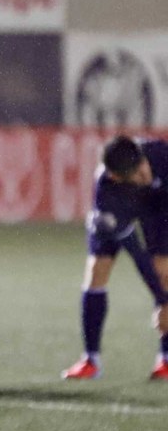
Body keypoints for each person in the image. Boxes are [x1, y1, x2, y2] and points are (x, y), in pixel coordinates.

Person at [61, 135, 168, 381]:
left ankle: (166, 359)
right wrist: (163, 302)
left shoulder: (161, 155)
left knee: (164, 270)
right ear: (117, 177)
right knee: (97, 269)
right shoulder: (107, 191)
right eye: (137, 176)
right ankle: (90, 360)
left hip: (160, 206)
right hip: (123, 213)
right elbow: (137, 255)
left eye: (143, 168)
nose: (145, 177)